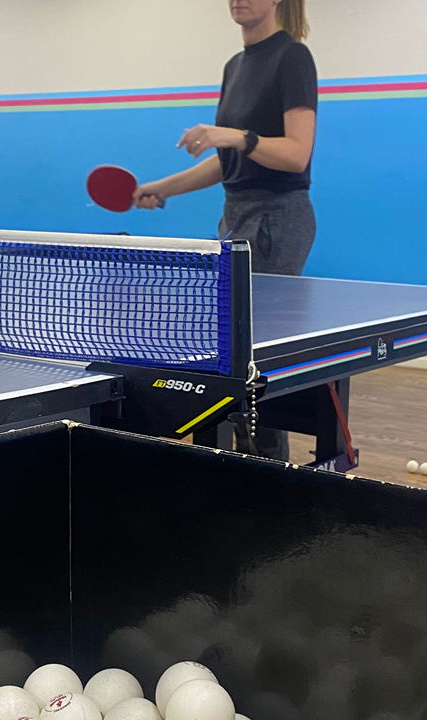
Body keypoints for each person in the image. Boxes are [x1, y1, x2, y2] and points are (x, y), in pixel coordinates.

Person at [134, 0, 318, 460]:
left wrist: (235, 136)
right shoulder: (235, 66)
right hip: (234, 214)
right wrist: (162, 188)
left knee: (253, 353)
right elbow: (228, 161)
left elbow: (296, 154)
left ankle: (266, 467)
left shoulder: (292, 57)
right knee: (232, 350)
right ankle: (235, 462)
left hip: (277, 216)